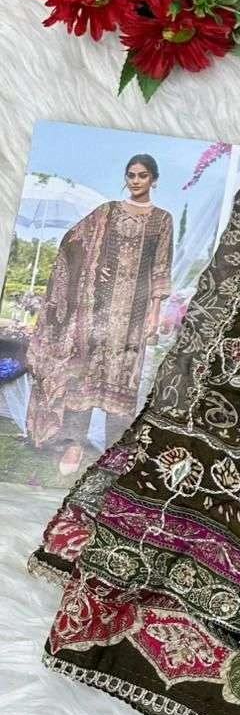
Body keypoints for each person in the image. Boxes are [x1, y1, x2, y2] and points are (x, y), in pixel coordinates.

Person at [24, 153, 174, 475]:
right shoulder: (107, 211)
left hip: (134, 315)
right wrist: (88, 268)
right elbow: (74, 241)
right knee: (84, 375)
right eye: (131, 175)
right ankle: (74, 444)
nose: (136, 180)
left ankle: (113, 452)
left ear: (154, 179)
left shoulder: (162, 219)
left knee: (123, 378)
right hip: (96, 310)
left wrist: (154, 313)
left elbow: (161, 268)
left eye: (143, 175)